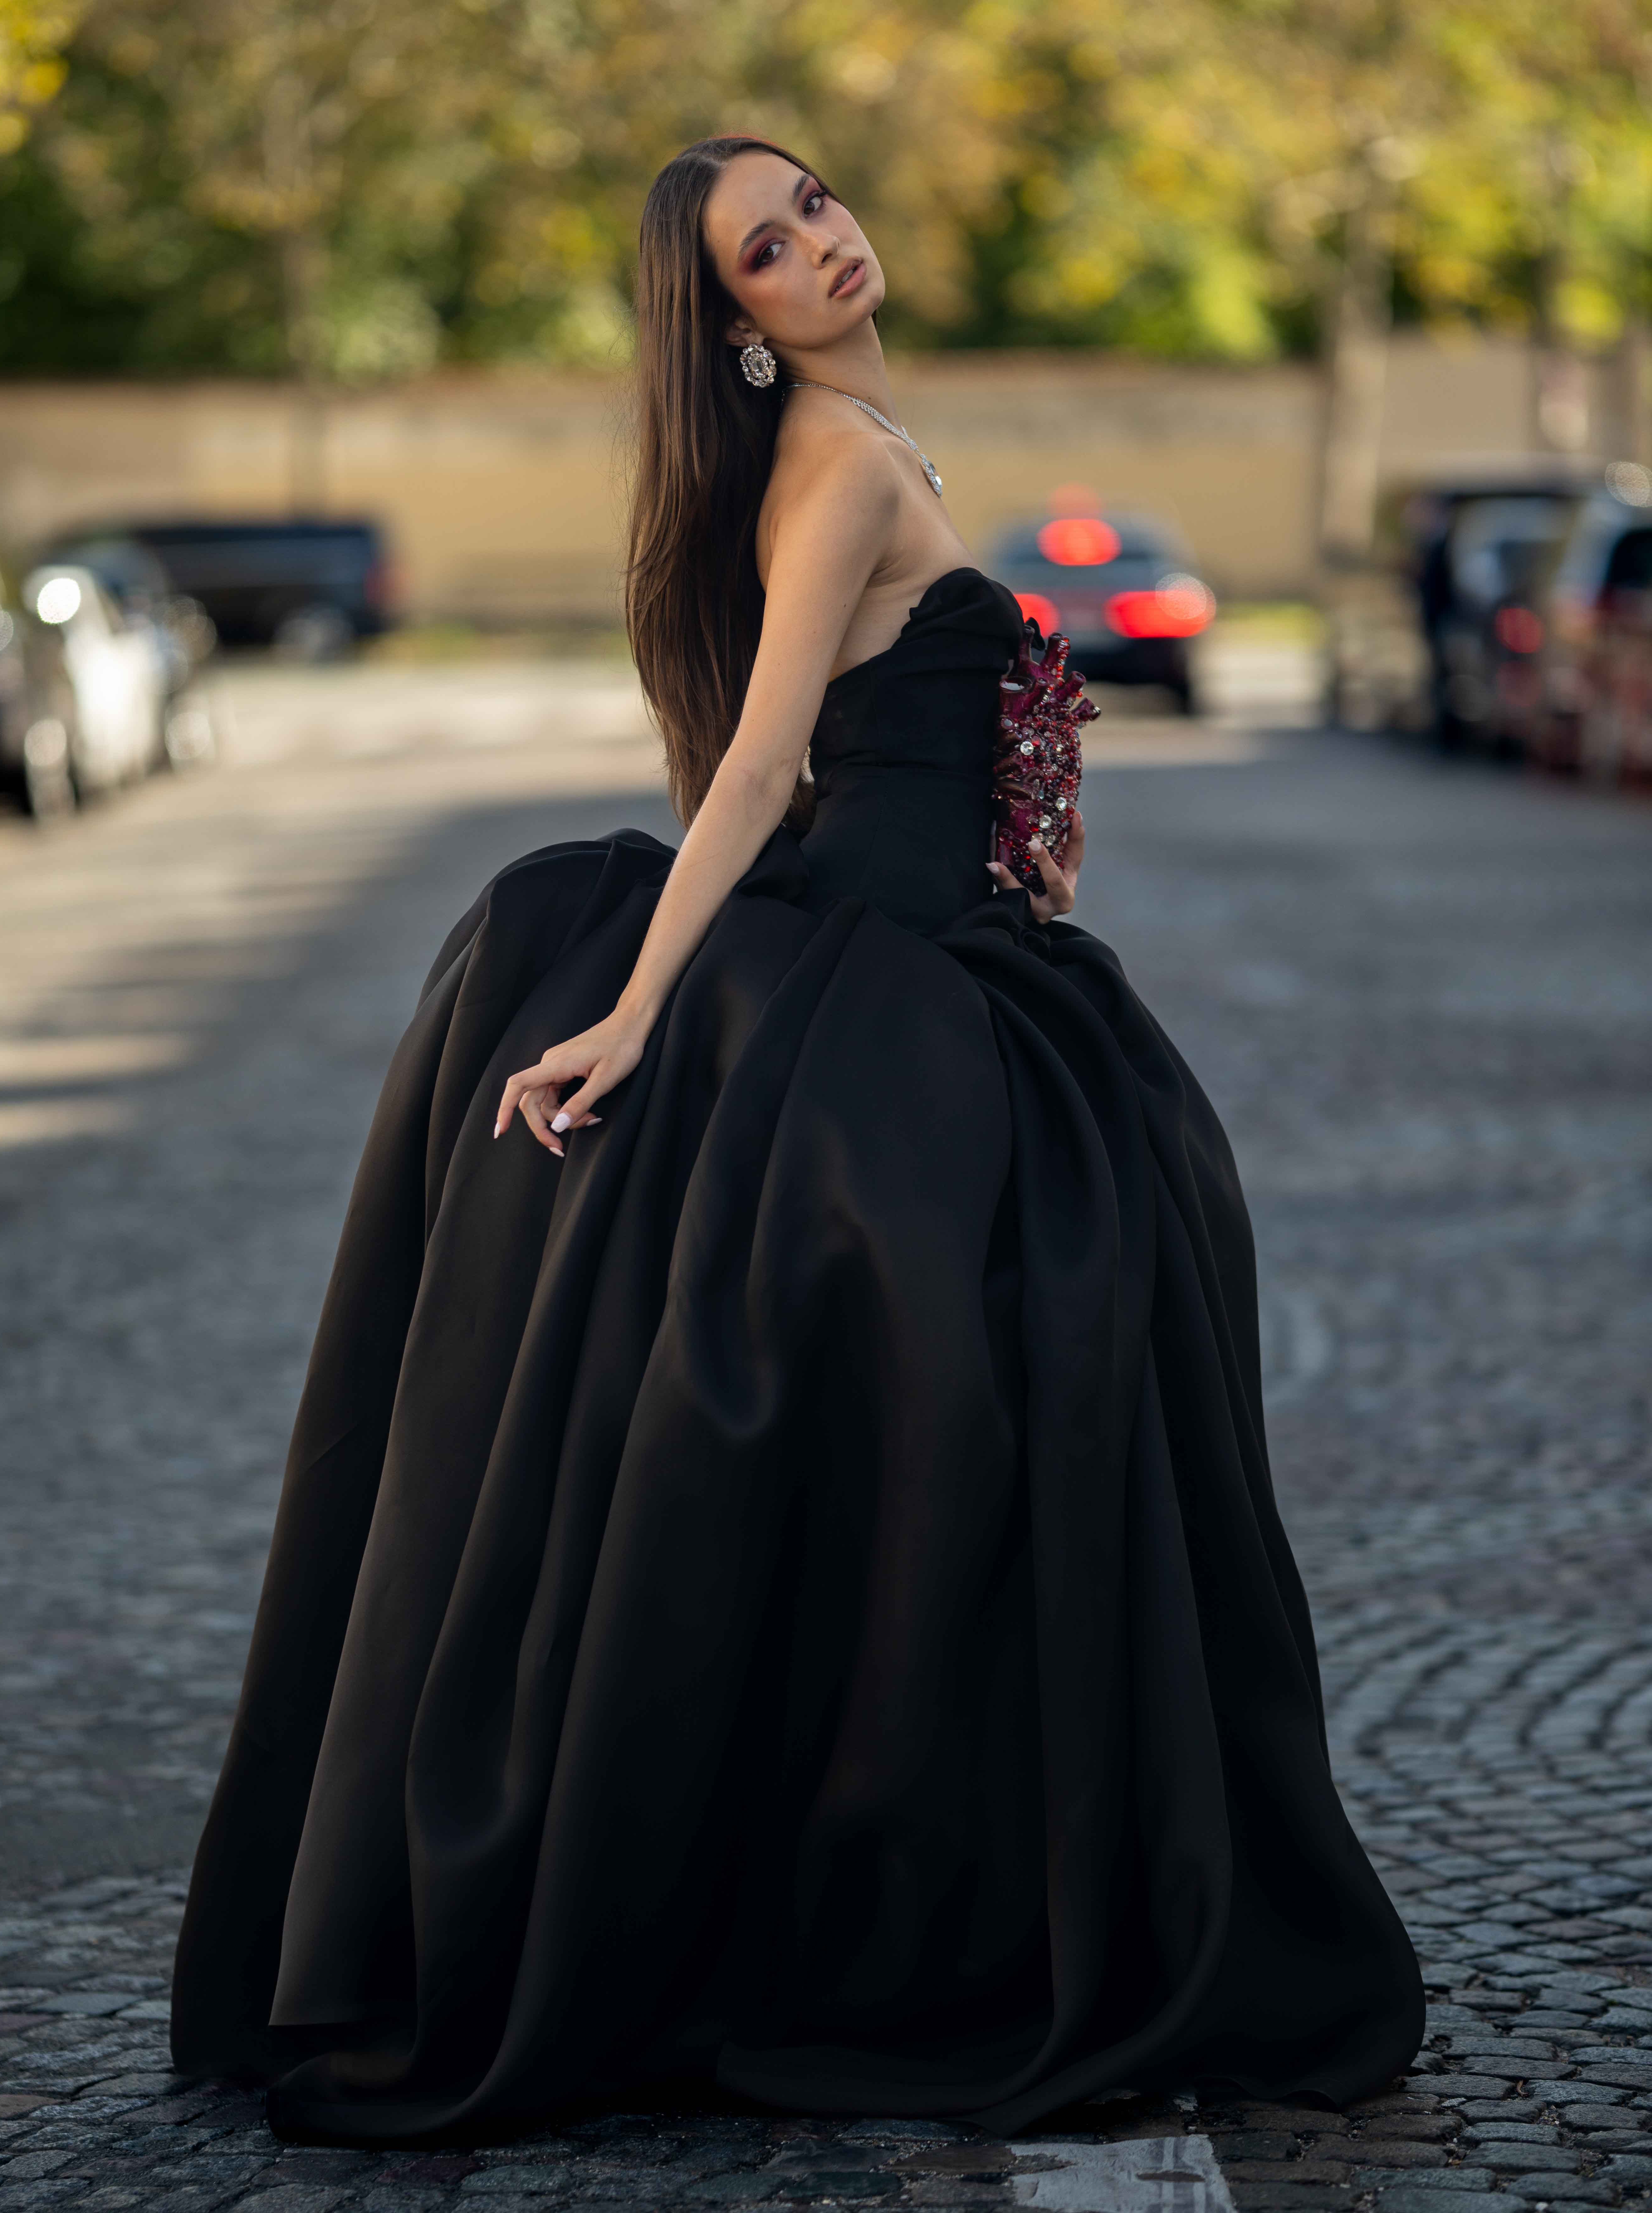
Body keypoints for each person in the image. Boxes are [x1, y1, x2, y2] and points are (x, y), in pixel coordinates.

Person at [171, 134, 1423, 2143]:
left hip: (953, 963)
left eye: (817, 205)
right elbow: (756, 763)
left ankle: (892, 1888)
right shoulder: (833, 464)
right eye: (769, 249)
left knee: (949, 1429)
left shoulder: (861, 438)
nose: (822, 244)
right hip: (885, 983)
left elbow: (868, 735)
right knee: (998, 1412)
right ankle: (914, 1910)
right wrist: (640, 1007)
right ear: (732, 323)